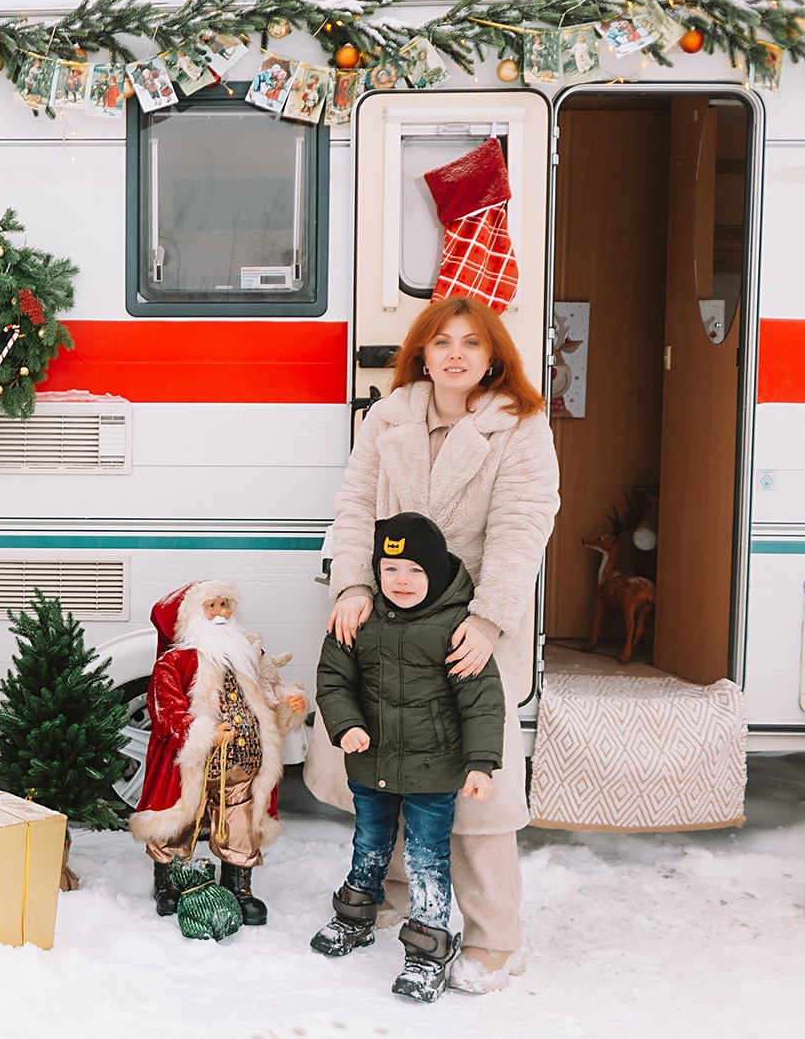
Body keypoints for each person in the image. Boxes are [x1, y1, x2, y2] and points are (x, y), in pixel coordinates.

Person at [305, 295, 558, 992]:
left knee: (473, 788)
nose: (455, 354)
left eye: (471, 343)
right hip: (386, 619)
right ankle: (390, 895)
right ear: (421, 352)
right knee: (385, 759)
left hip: (467, 626)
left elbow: (521, 527)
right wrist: (352, 586)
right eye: (442, 341)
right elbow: (356, 507)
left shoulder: (520, 424)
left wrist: (489, 619)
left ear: (493, 356)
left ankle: (497, 939)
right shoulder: (388, 416)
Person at [310, 513, 505, 1003]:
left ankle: (427, 948)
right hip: (371, 762)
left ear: (436, 573)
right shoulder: (359, 618)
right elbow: (333, 679)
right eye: (391, 568)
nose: (402, 580)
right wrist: (346, 725)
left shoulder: (458, 628)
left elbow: (482, 701)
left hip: (434, 772)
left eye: (416, 570)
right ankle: (355, 915)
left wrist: (481, 763)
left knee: (426, 858)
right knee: (370, 842)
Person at [130, 580, 307, 924]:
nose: (221, 613)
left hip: (243, 762)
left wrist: (291, 702)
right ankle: (169, 880)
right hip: (194, 763)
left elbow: (269, 692)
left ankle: (237, 885)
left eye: (226, 604)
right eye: (211, 606)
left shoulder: (247, 657)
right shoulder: (175, 662)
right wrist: (203, 731)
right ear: (192, 616)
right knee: (179, 818)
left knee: (241, 822)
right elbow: (165, 709)